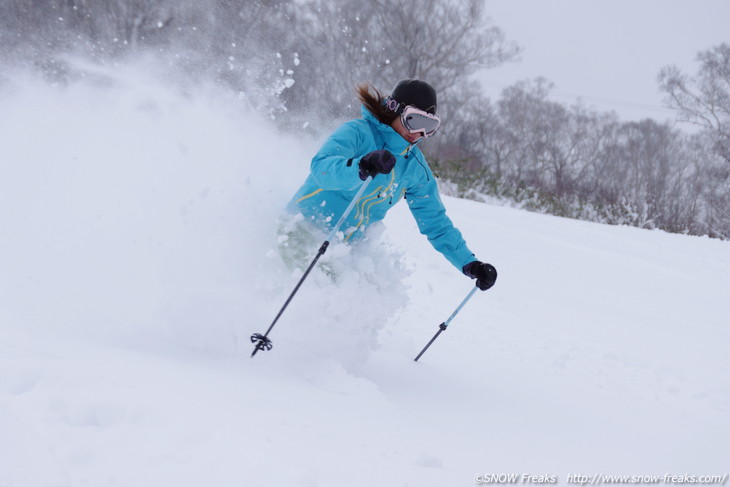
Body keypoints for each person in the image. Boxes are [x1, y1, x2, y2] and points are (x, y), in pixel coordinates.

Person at [287, 79, 497, 291]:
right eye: (414, 121)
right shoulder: (358, 133)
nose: (418, 133)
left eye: (429, 127)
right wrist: (360, 167)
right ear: (394, 109)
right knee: (306, 295)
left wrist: (469, 264)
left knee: (344, 309)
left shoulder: (414, 168)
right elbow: (321, 168)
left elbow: (436, 222)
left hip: (344, 250)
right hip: (301, 228)